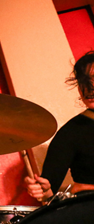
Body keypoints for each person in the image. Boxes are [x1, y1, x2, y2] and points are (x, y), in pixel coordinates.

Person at [25, 51, 94, 202]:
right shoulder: (71, 132)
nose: (88, 89)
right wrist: (44, 191)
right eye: (83, 81)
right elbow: (49, 190)